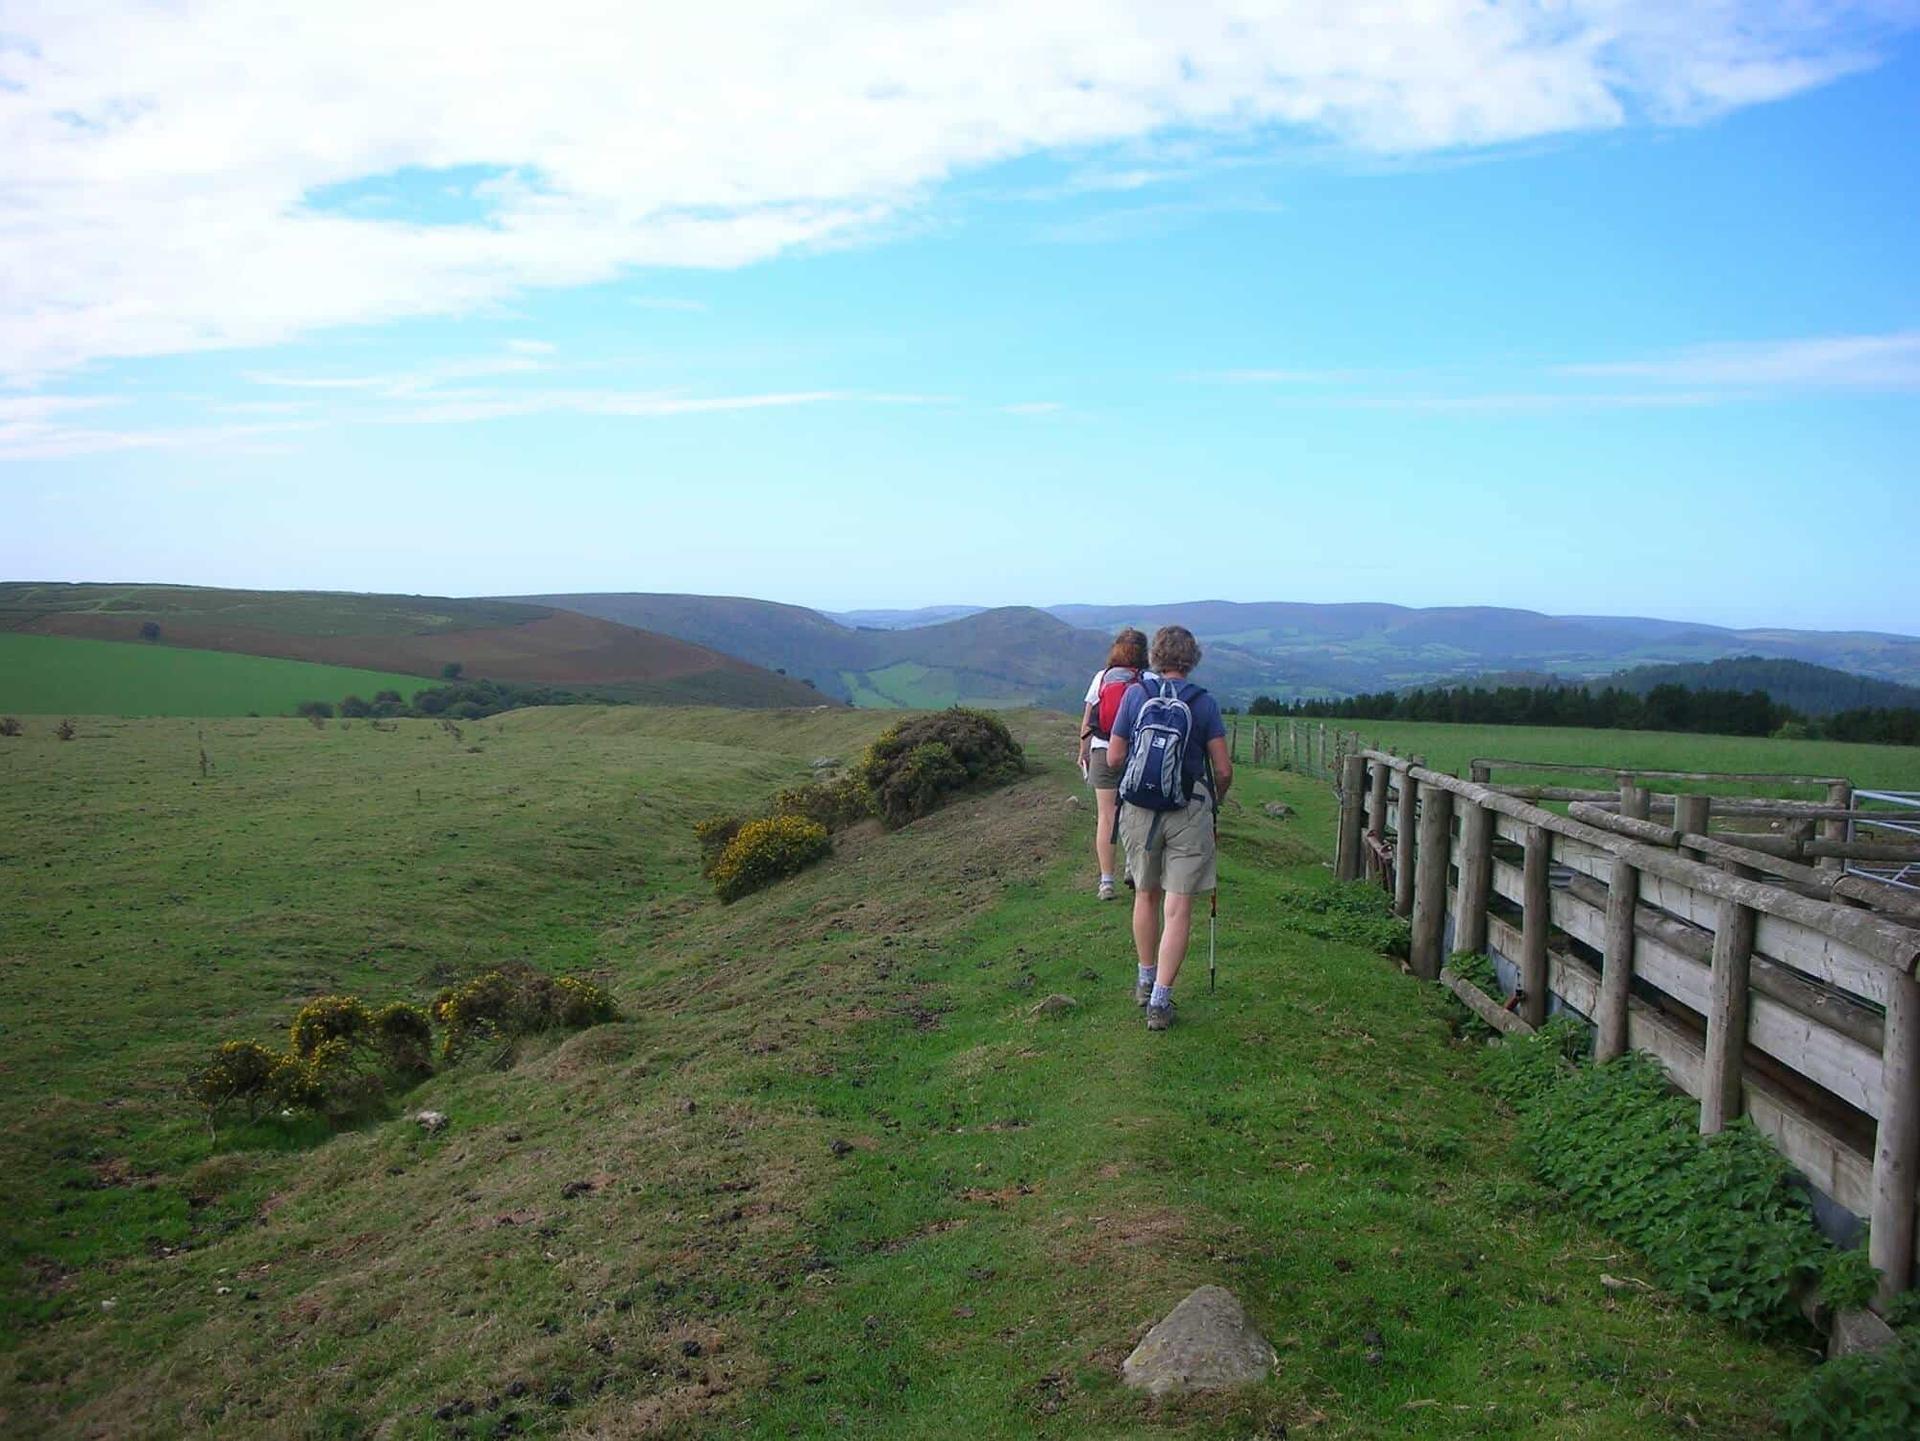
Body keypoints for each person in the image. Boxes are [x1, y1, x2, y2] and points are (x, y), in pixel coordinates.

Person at [1105, 625, 1231, 1032]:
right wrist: (1216, 799)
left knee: (1145, 895)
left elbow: (1114, 757)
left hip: (1140, 810)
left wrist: (1141, 776)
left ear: (1154, 657)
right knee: (1178, 906)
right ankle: (1160, 1002)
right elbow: (1224, 769)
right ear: (1192, 658)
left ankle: (1144, 980)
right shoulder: (1204, 704)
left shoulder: (1135, 696)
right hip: (1189, 811)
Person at [1077, 627, 1149, 901]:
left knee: (1106, 816)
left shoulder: (1102, 677)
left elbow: (1088, 720)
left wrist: (1083, 751)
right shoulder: (1148, 679)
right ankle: (1132, 867)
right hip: (1136, 753)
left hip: (1102, 751)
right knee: (1135, 811)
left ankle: (1106, 882)